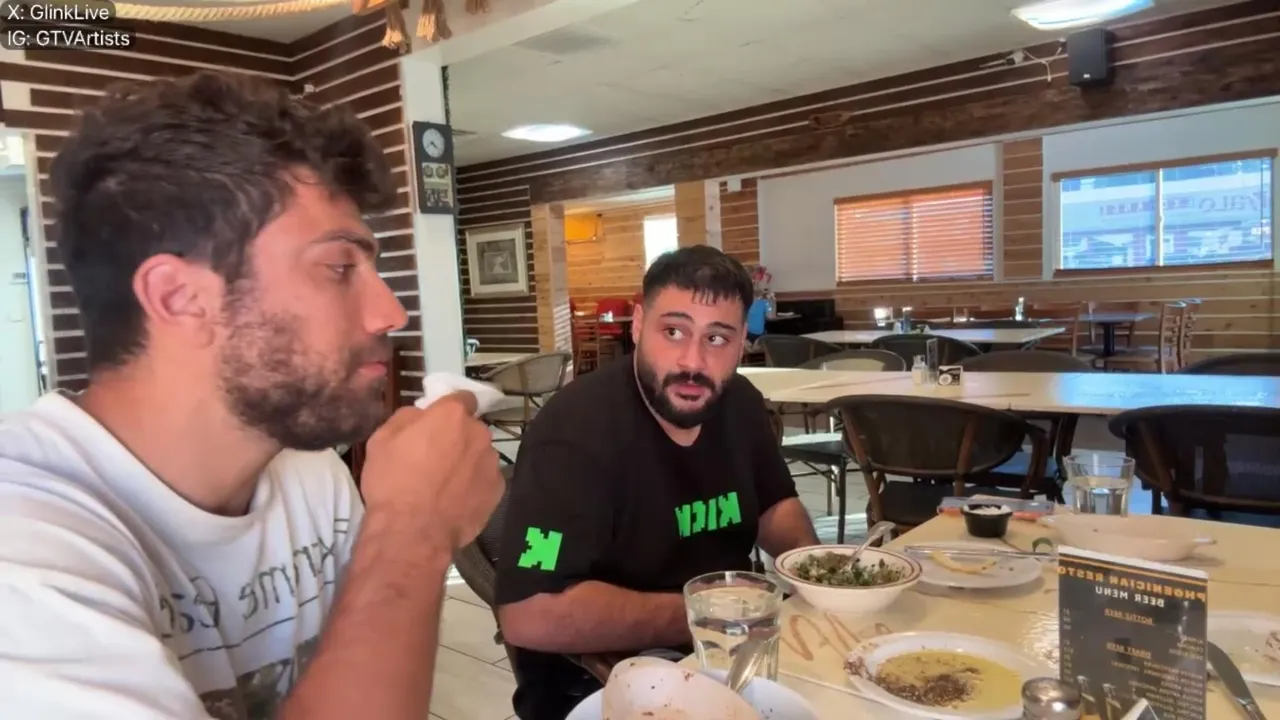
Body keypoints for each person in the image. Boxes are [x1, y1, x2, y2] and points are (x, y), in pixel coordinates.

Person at [0, 71, 503, 719]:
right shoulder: (24, 554)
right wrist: (414, 529)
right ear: (181, 298)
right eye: (340, 268)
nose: (391, 312)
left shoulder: (309, 478)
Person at [494, 245, 819, 720]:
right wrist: (708, 616)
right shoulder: (573, 434)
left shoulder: (741, 403)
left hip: (735, 660)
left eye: (717, 338)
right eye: (673, 331)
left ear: (742, 344)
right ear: (638, 325)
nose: (693, 362)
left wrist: (813, 575)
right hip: (600, 684)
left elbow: (775, 505)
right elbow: (530, 613)